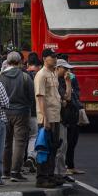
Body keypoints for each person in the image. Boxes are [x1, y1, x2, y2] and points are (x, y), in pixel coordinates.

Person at [0, 52, 34, 182]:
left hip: (4, 113)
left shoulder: (1, 77)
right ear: (20, 62)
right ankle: (15, 172)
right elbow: (32, 96)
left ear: (7, 62)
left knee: (6, 142)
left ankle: (5, 171)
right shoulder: (25, 77)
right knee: (19, 143)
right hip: (21, 113)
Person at [34, 49, 62, 188]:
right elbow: (40, 98)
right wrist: (45, 119)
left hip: (56, 116)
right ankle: (41, 178)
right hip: (47, 118)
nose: (55, 59)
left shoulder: (53, 73)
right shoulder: (41, 75)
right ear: (45, 58)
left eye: (56, 57)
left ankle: (50, 176)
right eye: (52, 57)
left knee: (53, 148)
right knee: (44, 149)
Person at [55, 59, 80, 183]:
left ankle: (62, 172)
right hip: (57, 117)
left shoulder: (64, 80)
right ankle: (57, 173)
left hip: (64, 118)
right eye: (65, 69)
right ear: (58, 68)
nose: (68, 71)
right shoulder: (55, 81)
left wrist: (68, 82)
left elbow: (68, 98)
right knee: (59, 147)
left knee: (64, 146)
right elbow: (66, 100)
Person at [24, 52, 42, 173]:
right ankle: (31, 157)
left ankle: (20, 162)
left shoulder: (23, 75)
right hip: (35, 111)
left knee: (21, 138)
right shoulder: (40, 75)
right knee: (34, 137)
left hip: (22, 111)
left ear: (27, 64)